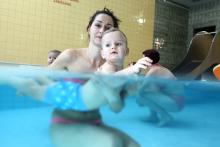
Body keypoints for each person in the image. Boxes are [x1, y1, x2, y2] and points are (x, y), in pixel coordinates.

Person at [47, 8, 151, 147]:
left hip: (93, 121)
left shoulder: (113, 66)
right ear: (89, 28)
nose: (102, 30)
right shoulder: (70, 56)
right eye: (98, 25)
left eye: (108, 27)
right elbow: (44, 77)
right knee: (112, 143)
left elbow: (116, 107)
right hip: (66, 122)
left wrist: (129, 90)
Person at [136, 49, 184, 127]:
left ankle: (165, 116)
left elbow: (141, 90)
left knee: (141, 97)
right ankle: (153, 116)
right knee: (150, 90)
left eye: (143, 59)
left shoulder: (154, 71)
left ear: (148, 60)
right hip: (177, 102)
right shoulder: (160, 68)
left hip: (174, 102)